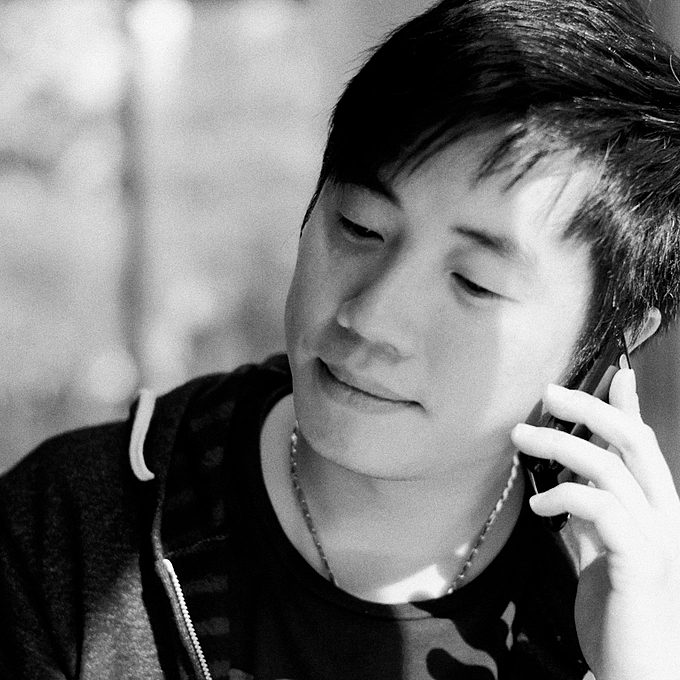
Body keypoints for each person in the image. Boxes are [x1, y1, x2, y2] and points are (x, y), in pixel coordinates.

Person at [1, 0, 680, 678]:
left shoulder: (615, 609)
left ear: (609, 339)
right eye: (359, 226)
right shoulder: (72, 532)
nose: (371, 316)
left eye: (474, 283)